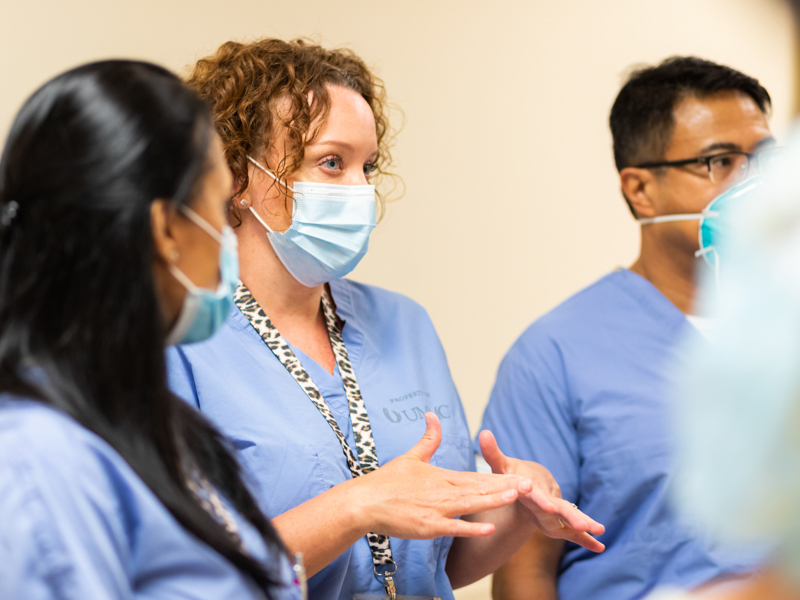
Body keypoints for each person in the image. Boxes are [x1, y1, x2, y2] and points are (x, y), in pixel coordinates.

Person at [167, 38, 605, 600]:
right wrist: (355, 506)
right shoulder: (174, 340)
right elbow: (183, 578)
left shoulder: (404, 324)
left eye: (367, 166)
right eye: (331, 162)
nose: (362, 191)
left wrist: (517, 508)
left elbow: (431, 567)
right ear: (235, 174)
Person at [0, 60, 299, 599]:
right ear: (166, 229)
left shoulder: (150, 423)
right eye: (217, 201)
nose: (227, 235)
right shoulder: (38, 456)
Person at [479, 56, 775, 600]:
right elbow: (525, 575)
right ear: (641, 190)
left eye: (765, 160)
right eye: (720, 161)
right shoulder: (554, 355)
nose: (754, 184)